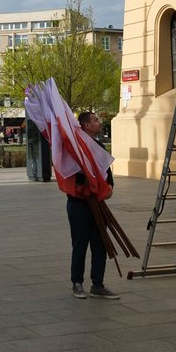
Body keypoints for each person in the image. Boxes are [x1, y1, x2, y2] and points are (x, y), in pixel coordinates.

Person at [67, 111, 118, 300]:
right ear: (86, 125)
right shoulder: (75, 148)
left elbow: (106, 171)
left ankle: (98, 284)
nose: (99, 123)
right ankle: (77, 282)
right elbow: (71, 173)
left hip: (97, 202)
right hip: (79, 203)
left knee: (100, 243)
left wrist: (110, 186)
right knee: (80, 244)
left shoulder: (97, 146)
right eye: (95, 120)